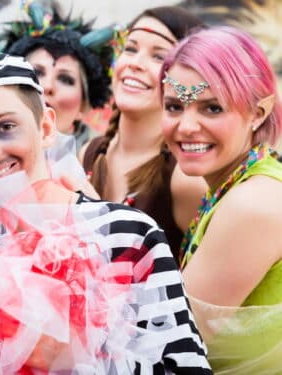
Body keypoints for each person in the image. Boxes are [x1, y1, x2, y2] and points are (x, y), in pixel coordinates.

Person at [0, 53, 212, 373]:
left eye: (5, 127)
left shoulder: (123, 232)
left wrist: (74, 354)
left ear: (45, 127)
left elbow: (187, 366)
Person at [161, 26, 282, 373]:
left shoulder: (252, 205)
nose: (186, 127)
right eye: (173, 106)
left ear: (258, 113)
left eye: (212, 108)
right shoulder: (231, 187)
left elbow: (172, 347)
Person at [82, 6, 207, 260]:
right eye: (130, 49)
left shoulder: (184, 177)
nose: (135, 64)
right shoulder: (90, 152)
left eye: (159, 57)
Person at [3, 0, 116, 152]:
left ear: (83, 107)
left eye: (65, 79)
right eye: (37, 72)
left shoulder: (98, 166)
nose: (47, 86)